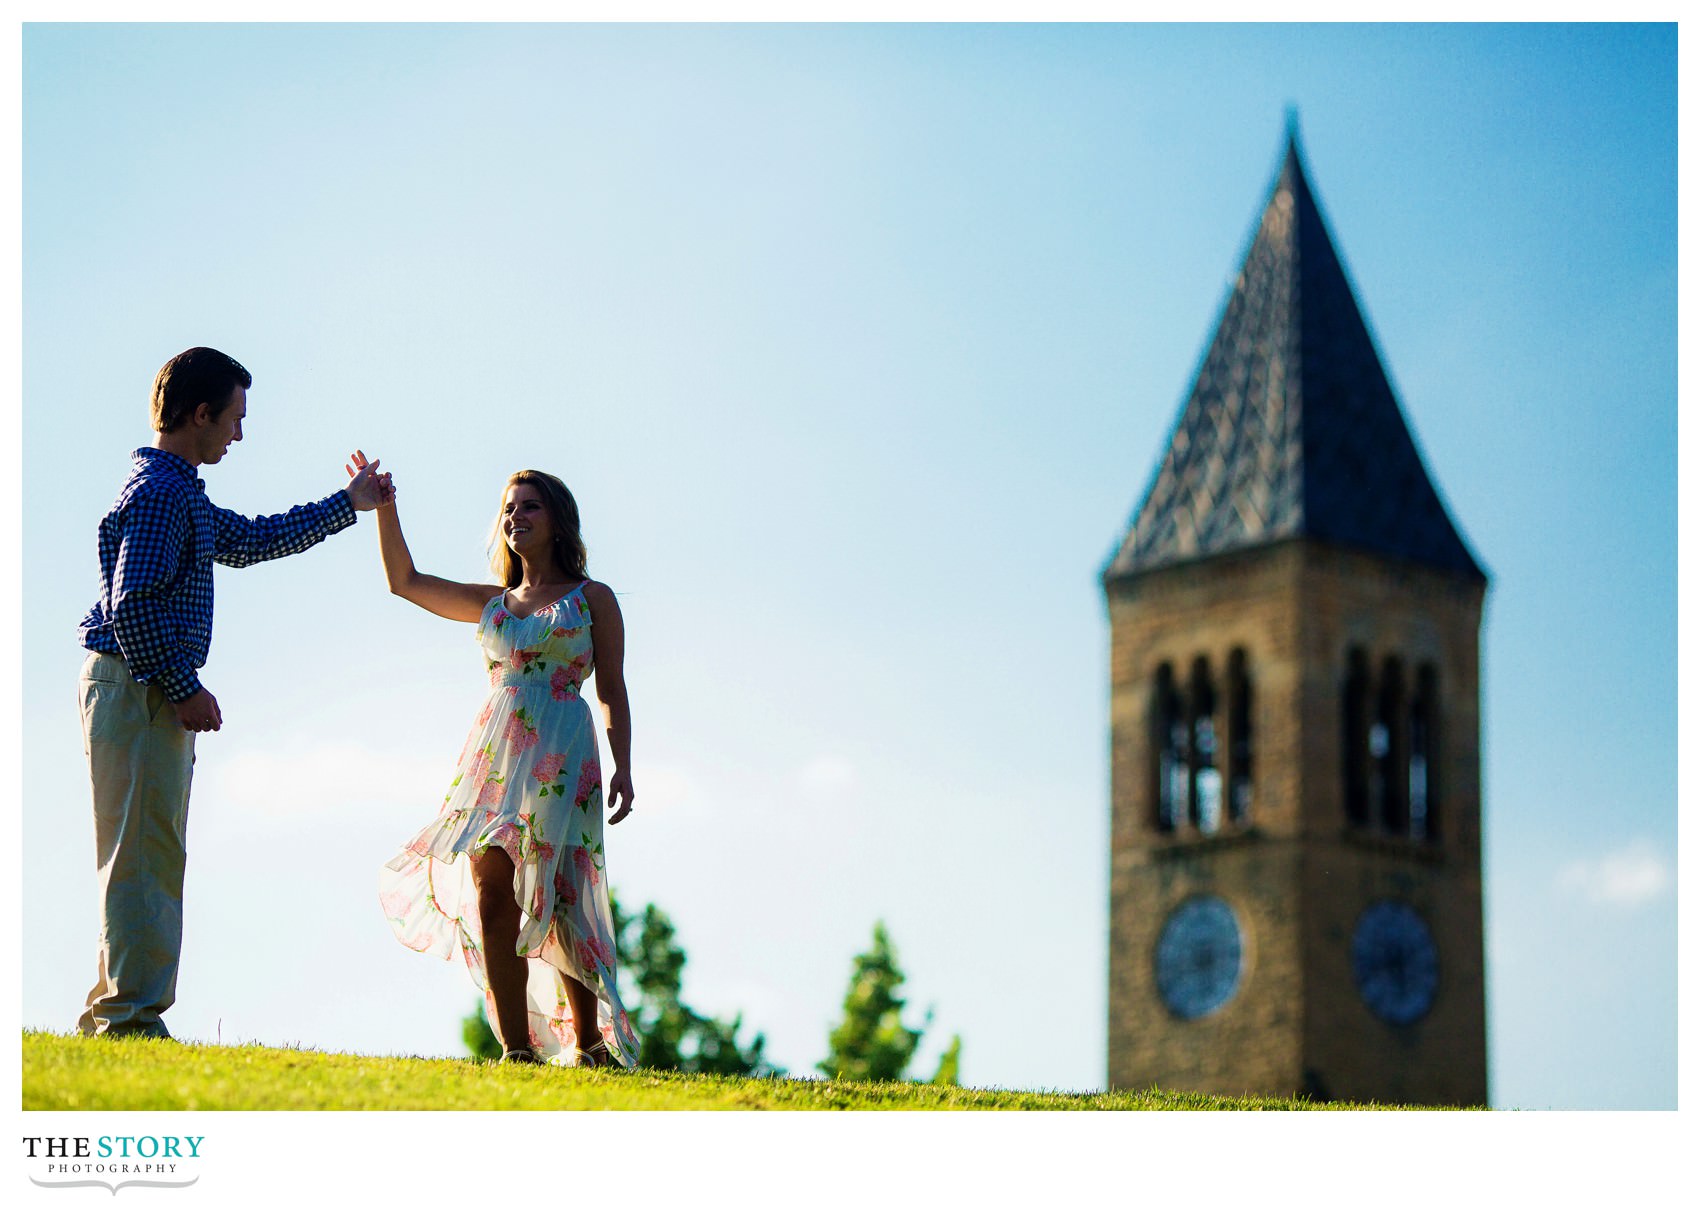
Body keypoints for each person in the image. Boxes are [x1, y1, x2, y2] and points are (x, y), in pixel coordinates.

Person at [76, 346, 392, 1039]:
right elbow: (132, 606)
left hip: (134, 685)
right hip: (140, 686)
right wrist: (184, 687)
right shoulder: (160, 494)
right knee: (145, 854)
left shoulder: (177, 489)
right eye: (235, 419)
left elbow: (250, 541)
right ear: (199, 413)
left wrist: (348, 504)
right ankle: (128, 1018)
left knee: (143, 851)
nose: (238, 434)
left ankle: (115, 1011)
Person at [373, 463, 639, 1068]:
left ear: (558, 520)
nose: (516, 518)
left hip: (563, 757)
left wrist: (624, 765)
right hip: (495, 757)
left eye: (530, 507)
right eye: (509, 510)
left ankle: (590, 1042)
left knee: (560, 891)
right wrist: (385, 509)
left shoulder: (592, 599)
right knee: (492, 890)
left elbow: (613, 690)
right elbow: (405, 581)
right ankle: (516, 1050)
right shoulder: (493, 603)